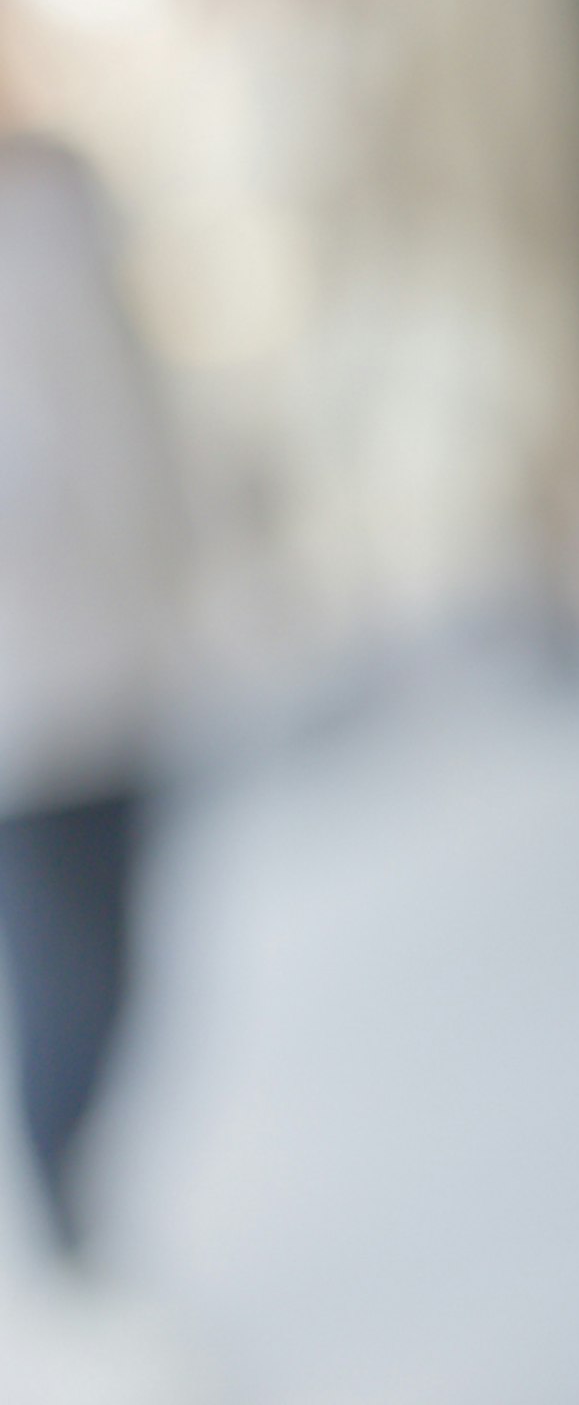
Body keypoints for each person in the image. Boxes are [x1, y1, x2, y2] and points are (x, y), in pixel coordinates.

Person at [0, 121, 184, 1275]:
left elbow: (128, 401)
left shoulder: (58, 185)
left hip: (118, 645)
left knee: (122, 955)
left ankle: (80, 1205)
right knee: (62, 968)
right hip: (22, 688)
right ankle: (68, 1223)